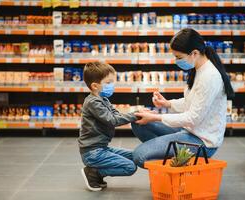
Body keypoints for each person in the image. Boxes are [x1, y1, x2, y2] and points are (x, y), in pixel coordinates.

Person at [132, 28, 235, 168]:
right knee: (137, 120)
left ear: (194, 53)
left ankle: (173, 165)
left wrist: (157, 117)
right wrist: (167, 104)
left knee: (140, 156)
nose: (176, 61)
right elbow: (191, 102)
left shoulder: (209, 77)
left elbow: (193, 117)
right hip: (189, 131)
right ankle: (169, 154)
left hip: (202, 142)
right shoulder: (198, 68)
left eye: (179, 57)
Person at [78, 62, 137, 191]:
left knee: (135, 155)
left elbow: (115, 114)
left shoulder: (104, 99)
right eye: (108, 82)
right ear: (94, 86)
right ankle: (94, 173)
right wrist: (135, 115)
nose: (112, 85)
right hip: (92, 152)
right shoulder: (93, 102)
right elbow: (112, 120)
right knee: (130, 167)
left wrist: (134, 115)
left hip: (101, 148)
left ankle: (96, 172)